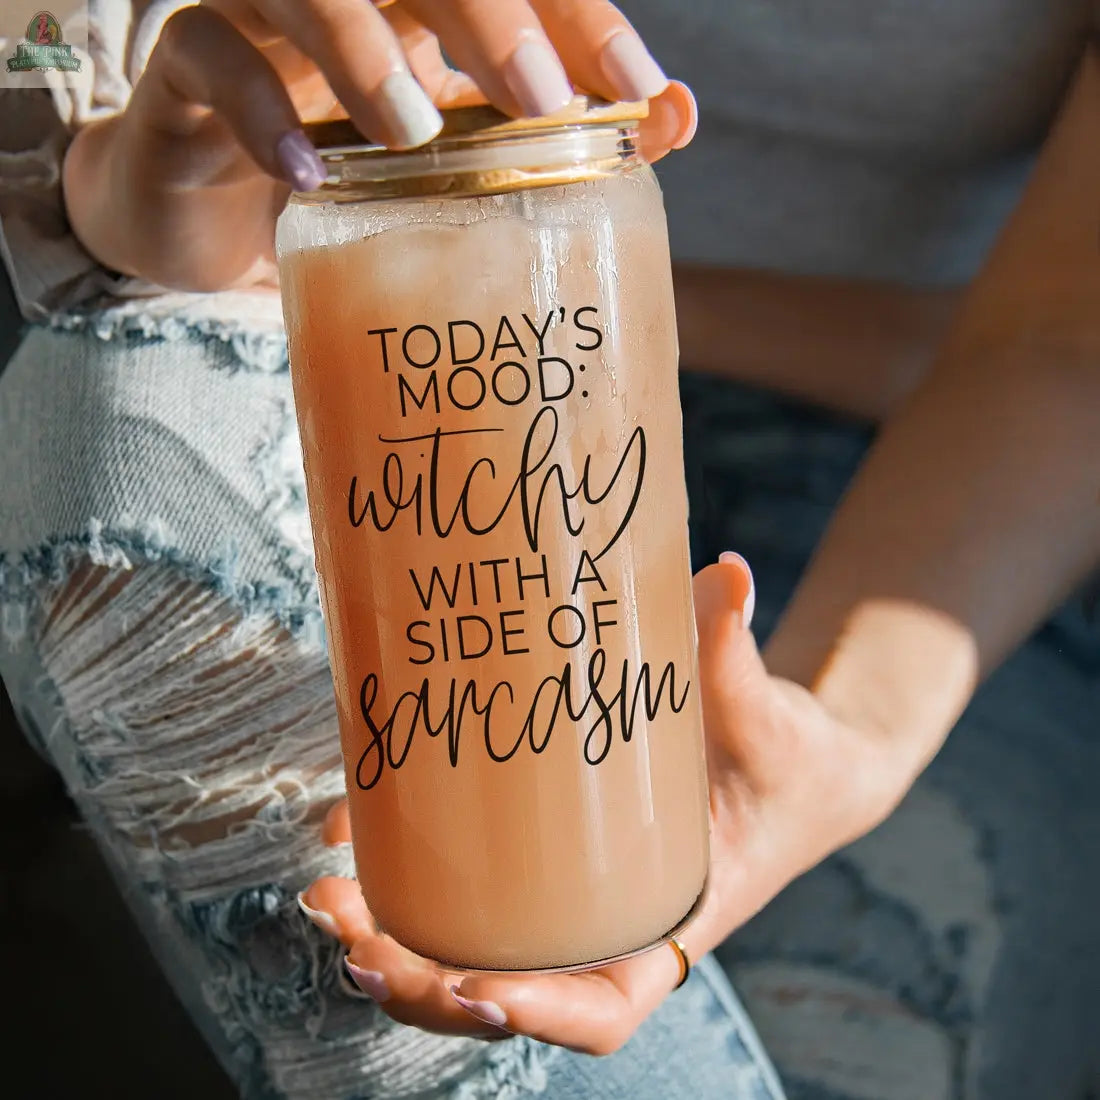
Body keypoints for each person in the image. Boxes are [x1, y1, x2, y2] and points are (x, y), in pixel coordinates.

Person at [0, 1, 1096, 1098]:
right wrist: (95, 176)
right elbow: (31, 39)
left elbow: (1063, 339)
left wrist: (846, 723)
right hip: (363, 366)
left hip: (924, 506)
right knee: (107, 406)